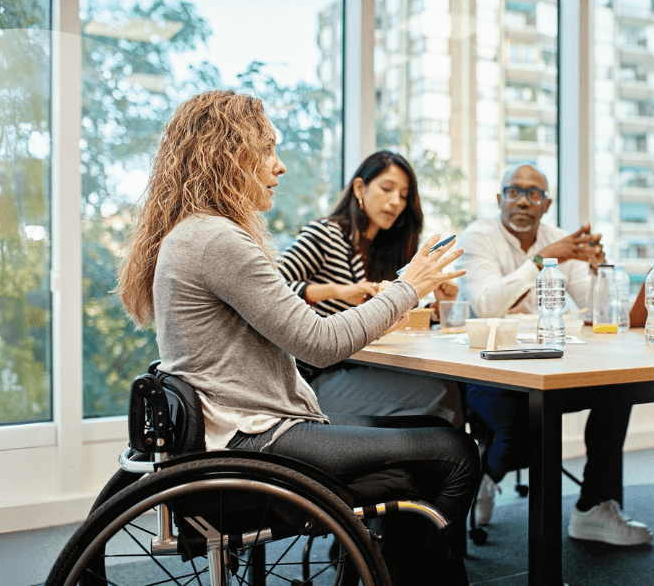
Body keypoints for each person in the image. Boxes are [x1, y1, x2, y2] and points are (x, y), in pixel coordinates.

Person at [115, 90, 480, 586]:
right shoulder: (219, 240)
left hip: (236, 430)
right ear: (227, 153)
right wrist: (407, 288)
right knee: (454, 452)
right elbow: (320, 343)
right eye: (267, 149)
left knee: (423, 441)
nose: (280, 166)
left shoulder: (191, 233)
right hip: (256, 440)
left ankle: (383, 567)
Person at [455, 163, 654, 546]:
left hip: (550, 361)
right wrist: (542, 260)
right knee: (519, 433)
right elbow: (485, 305)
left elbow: (597, 314)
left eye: (534, 194)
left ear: (547, 204)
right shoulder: (479, 236)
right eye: (514, 191)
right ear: (499, 199)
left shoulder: (561, 239)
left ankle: (592, 508)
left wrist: (598, 272)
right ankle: (484, 476)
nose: (523, 201)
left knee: (618, 388)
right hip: (488, 369)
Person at [278, 151, 463, 426]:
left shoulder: (391, 252)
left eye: (403, 196)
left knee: (445, 388)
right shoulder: (325, 235)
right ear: (359, 188)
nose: (395, 202)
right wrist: (338, 291)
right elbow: (272, 288)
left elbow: (403, 320)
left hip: (360, 366)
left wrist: (439, 304)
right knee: (439, 395)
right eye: (387, 189)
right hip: (308, 377)